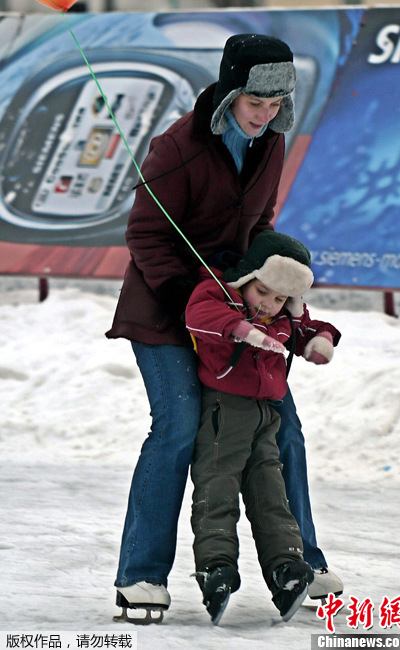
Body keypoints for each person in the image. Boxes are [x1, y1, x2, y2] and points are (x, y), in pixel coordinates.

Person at [106, 33, 342, 622]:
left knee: (282, 424)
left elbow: (259, 222)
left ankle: (303, 561)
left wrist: (271, 283)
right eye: (255, 103)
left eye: (274, 104)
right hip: (165, 313)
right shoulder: (175, 148)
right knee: (179, 425)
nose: (264, 115)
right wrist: (192, 304)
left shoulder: (272, 141)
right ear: (230, 93)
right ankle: (141, 576)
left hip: (240, 312)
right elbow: (145, 236)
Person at [186, 230, 341, 624]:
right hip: (225, 411)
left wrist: (320, 340)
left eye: (279, 299)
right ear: (247, 277)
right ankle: (216, 567)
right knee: (218, 487)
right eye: (262, 292)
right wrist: (242, 329)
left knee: (271, 492)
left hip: (265, 415)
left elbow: (306, 327)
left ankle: (285, 568)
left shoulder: (280, 315)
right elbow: (199, 315)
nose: (269, 305)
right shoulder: (220, 295)